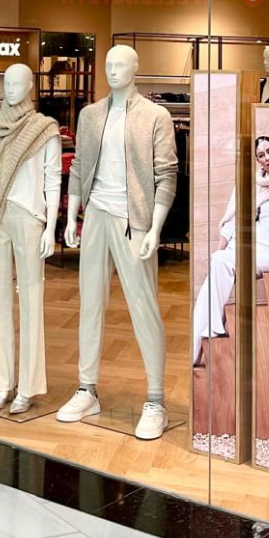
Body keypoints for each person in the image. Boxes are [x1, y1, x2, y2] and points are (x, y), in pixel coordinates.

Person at [55, 45, 177, 440]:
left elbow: (167, 175)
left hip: (134, 222)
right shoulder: (90, 114)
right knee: (90, 303)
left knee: (144, 307)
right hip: (96, 216)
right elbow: (79, 167)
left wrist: (155, 228)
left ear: (136, 68)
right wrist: (73, 216)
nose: (112, 70)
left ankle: (156, 399)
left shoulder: (156, 116)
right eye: (107, 64)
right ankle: (87, 388)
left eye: (120, 64)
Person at [0, 64, 60, 414]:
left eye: (17, 83)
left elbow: (53, 179)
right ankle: (1, 384)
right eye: (6, 83)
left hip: (28, 217)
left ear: (30, 86)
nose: (10, 89)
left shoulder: (44, 128)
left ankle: (28, 387)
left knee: (31, 299)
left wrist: (51, 227)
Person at [191, 135, 269, 366]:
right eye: (261, 155)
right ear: (257, 161)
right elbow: (231, 223)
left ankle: (204, 339)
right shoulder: (250, 184)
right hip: (247, 248)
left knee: (220, 263)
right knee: (214, 274)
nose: (267, 158)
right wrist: (217, 253)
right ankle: (200, 346)